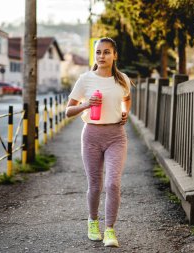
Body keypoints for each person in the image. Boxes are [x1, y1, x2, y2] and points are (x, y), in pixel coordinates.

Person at [66, 37, 131, 247]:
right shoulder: (85, 79)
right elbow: (68, 111)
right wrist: (86, 105)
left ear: (115, 55)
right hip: (91, 136)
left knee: (113, 183)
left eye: (106, 52)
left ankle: (110, 230)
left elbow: (127, 98)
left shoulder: (122, 80)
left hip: (116, 136)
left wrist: (125, 112)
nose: (102, 56)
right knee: (95, 185)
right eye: (98, 52)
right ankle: (93, 222)